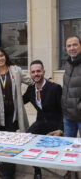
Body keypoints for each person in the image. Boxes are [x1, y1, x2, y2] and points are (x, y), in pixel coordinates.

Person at [0, 47, 33, 179]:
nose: (0, 59)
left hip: (12, 113)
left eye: (1, 56)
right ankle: (5, 168)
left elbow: (31, 80)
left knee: (10, 143)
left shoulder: (15, 70)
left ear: (5, 56)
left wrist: (46, 80)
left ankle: (8, 173)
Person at [23, 60, 63, 179]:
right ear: (30, 74)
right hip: (40, 122)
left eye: (38, 71)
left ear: (44, 72)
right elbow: (19, 101)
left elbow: (63, 111)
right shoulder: (30, 89)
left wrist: (61, 129)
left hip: (55, 123)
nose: (36, 74)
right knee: (26, 139)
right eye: (33, 72)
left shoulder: (55, 88)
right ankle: (37, 171)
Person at [62, 35, 81, 179]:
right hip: (68, 116)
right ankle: (71, 173)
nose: (72, 48)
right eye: (69, 46)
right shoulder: (68, 64)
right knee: (69, 148)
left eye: (75, 45)